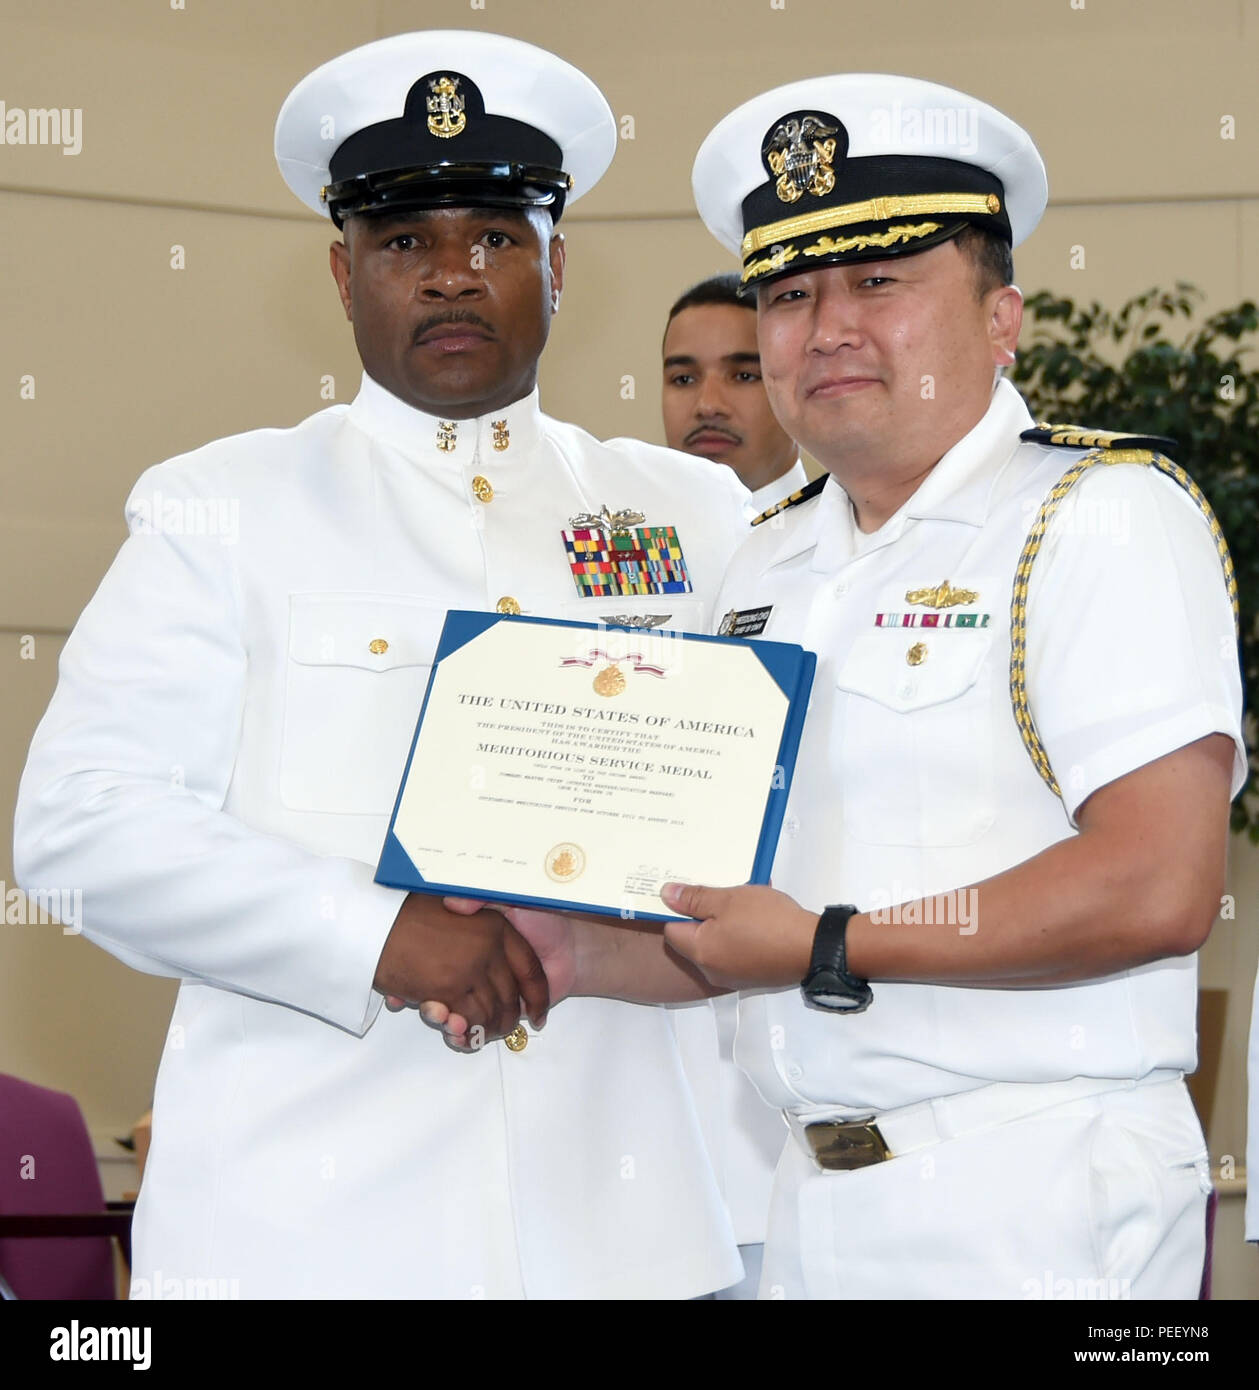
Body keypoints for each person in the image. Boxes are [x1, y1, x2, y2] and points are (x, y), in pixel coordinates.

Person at [429, 72, 1246, 1299]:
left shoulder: (1098, 517)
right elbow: (728, 913)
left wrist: (825, 942)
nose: (829, 327)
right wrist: (567, 953)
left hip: (1037, 1195)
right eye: (791, 292)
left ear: (1000, 314)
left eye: (881, 281)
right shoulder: (767, 557)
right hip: (807, 1207)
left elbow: (1157, 881)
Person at [13, 30, 750, 1300]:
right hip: (309, 1234)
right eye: (406, 242)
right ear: (341, 271)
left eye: (497, 238)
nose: (453, 276)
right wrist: (373, 935)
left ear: (558, 267)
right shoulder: (221, 506)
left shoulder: (698, 516)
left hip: (627, 1227)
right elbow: (78, 832)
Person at [660, 273, 798, 1297]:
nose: (707, 401)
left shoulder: (843, 556)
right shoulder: (612, 553)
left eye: (741, 372)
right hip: (642, 1100)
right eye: (681, 375)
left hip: (790, 1110)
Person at [662, 273, 808, 520]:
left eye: (744, 376)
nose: (708, 406)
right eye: (684, 379)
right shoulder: (626, 535)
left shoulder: (853, 539)